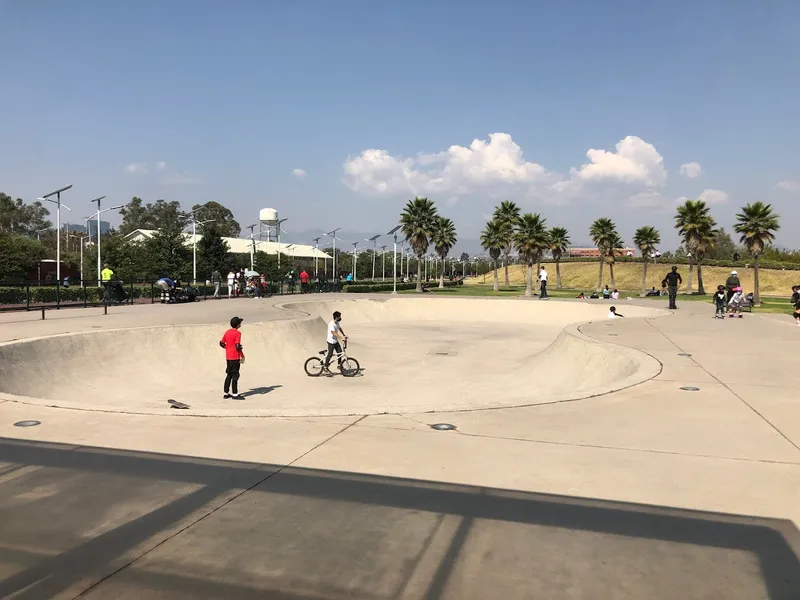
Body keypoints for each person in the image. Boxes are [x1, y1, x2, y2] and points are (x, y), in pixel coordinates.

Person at [219, 316, 245, 399]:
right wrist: (242, 355)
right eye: (240, 323)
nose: (240, 324)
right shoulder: (238, 333)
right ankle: (235, 394)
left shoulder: (227, 332)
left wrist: (228, 348)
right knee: (235, 375)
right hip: (235, 357)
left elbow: (221, 343)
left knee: (229, 374)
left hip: (228, 357)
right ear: (238, 325)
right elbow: (237, 346)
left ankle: (226, 393)